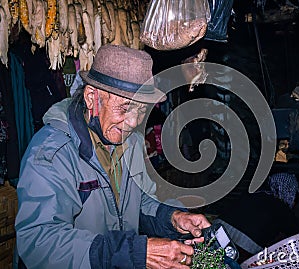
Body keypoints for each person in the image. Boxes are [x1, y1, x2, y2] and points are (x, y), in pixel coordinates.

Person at [15, 44, 211, 269]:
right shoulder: (52, 153)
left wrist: (173, 218)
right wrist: (132, 253)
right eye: (125, 108)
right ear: (91, 98)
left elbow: (141, 201)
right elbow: (39, 242)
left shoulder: (131, 142)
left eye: (141, 110)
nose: (133, 122)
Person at [217, 172, 299, 262]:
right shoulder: (281, 207)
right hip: (241, 248)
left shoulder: (251, 194)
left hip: (217, 233)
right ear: (290, 190)